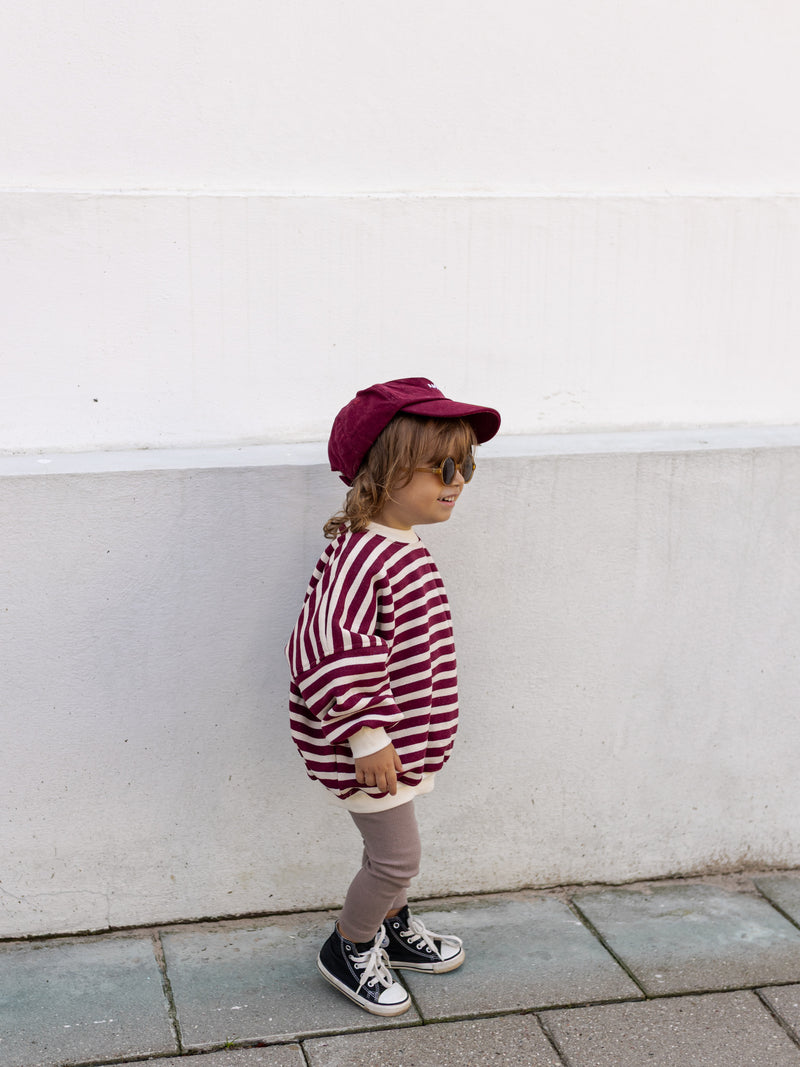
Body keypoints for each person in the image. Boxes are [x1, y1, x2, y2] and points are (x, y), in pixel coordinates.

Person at [285, 377, 501, 1015]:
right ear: (383, 473)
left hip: (396, 743)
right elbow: (329, 646)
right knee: (397, 858)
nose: (457, 480)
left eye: (464, 465)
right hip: (369, 745)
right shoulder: (361, 557)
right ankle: (349, 946)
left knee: (387, 851)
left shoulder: (395, 544)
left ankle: (393, 929)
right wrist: (368, 736)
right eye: (441, 467)